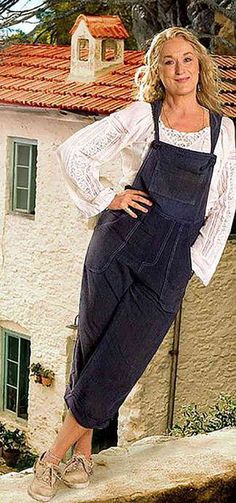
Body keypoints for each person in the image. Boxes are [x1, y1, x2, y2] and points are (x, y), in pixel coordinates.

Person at [28, 26, 235, 502]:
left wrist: (196, 260)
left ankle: (51, 456)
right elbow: (75, 150)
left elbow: (225, 202)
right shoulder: (144, 116)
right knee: (92, 341)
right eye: (168, 61)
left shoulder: (223, 131)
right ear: (157, 71)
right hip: (119, 242)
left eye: (187, 59)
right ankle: (81, 454)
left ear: (200, 66)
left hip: (171, 261)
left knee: (124, 356)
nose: (180, 69)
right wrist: (109, 196)